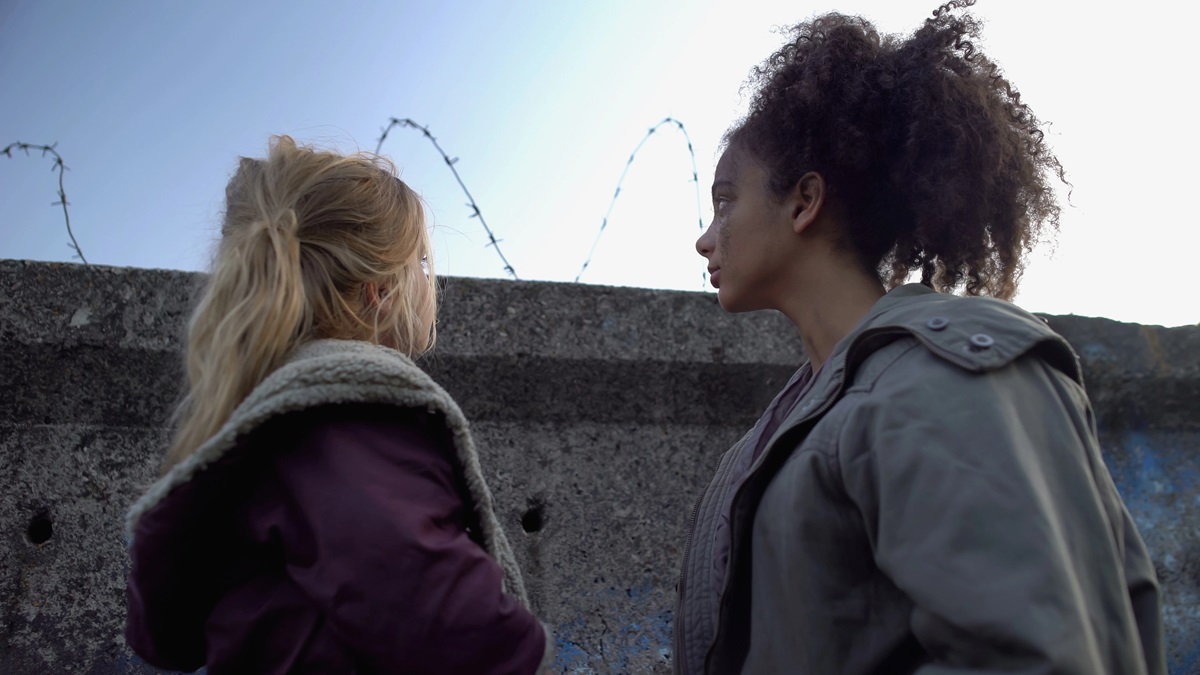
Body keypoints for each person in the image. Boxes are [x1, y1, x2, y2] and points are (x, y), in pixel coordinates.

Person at [673, 2, 1165, 673]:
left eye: (726, 199)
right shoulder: (789, 428)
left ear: (803, 201)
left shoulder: (950, 372)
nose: (706, 236)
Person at [125, 136, 552, 674]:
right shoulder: (355, 414)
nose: (430, 281)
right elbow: (452, 627)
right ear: (380, 291)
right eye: (420, 263)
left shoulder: (269, 412)